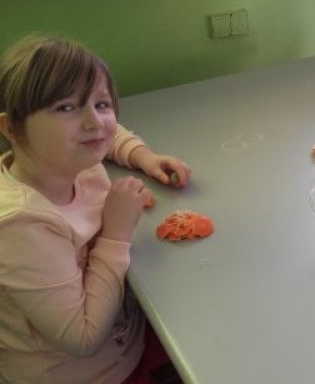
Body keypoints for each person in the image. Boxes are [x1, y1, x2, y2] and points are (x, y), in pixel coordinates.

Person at [0, 35, 192, 383]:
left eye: (101, 103)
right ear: (11, 128)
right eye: (65, 108)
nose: (94, 122)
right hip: (95, 373)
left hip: (127, 328)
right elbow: (84, 339)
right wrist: (116, 231)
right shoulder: (21, 226)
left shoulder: (68, 157)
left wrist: (144, 157)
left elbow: (109, 133)